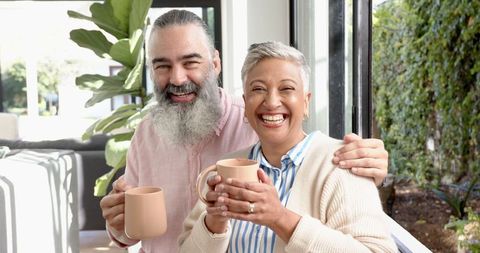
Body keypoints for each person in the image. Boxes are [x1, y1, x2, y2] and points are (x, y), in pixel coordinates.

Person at [100, 10, 390, 253]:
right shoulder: (147, 133)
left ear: (215, 64)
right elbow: (136, 232)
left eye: (190, 62)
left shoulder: (261, 124)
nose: (177, 78)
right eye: (163, 66)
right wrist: (118, 226)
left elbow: (307, 150)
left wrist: (371, 164)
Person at [178, 41, 397, 252]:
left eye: (286, 88)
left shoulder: (342, 162)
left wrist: (280, 218)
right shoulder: (227, 167)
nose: (272, 102)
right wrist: (214, 222)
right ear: (245, 105)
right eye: (258, 89)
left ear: (306, 102)